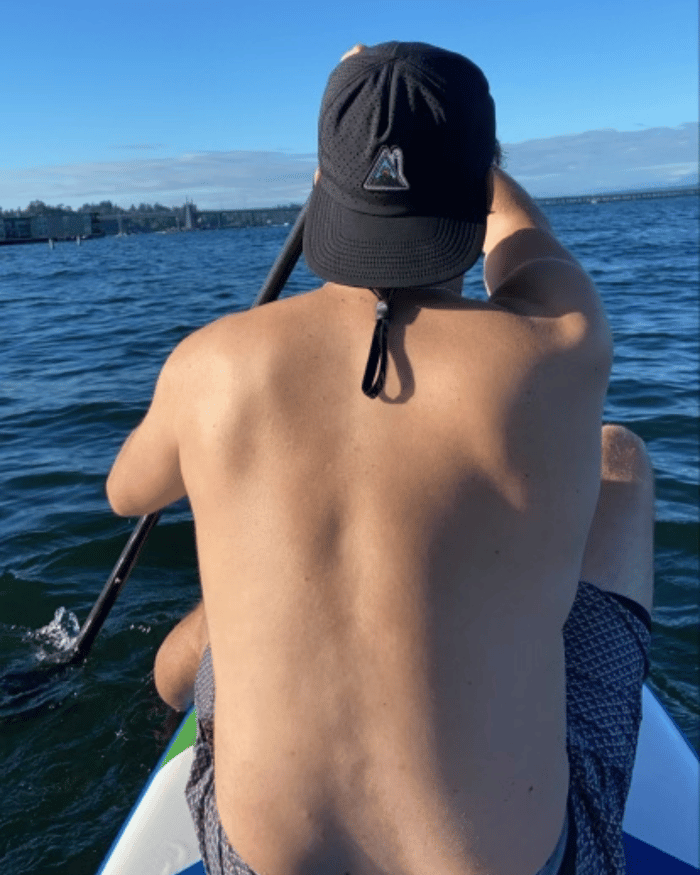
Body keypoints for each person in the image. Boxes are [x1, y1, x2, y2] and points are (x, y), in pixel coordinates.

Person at [107, 41, 654, 875]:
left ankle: (184, 670)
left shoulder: (209, 364)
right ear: (477, 189)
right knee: (619, 456)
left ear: (324, 191)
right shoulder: (561, 343)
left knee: (254, 553)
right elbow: (521, 235)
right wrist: (460, 153)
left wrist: (361, 137)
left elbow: (126, 492)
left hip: (254, 861)